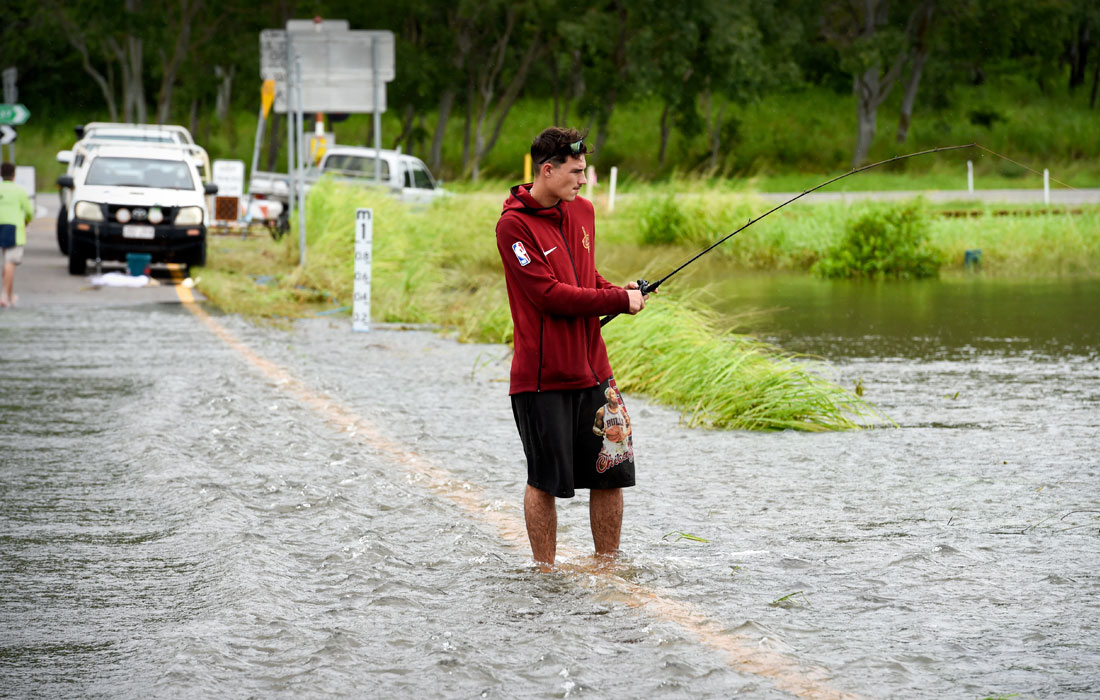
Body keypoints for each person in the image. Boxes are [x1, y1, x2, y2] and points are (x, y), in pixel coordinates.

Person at [495, 126, 648, 569]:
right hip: (542, 380)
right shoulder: (513, 227)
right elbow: (550, 294)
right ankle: (545, 574)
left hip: (595, 371)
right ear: (548, 170)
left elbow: (584, 277)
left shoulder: (582, 212)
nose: (583, 180)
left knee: (610, 473)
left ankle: (608, 568)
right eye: (576, 172)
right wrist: (618, 299)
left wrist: (619, 289)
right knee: (545, 482)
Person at [0, 162, 33, 308]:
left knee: (8, 263)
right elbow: (30, 211)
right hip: (13, 228)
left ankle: (10, 294)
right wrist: (26, 221)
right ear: (14, 175)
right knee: (10, 262)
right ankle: (4, 295)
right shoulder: (19, 191)